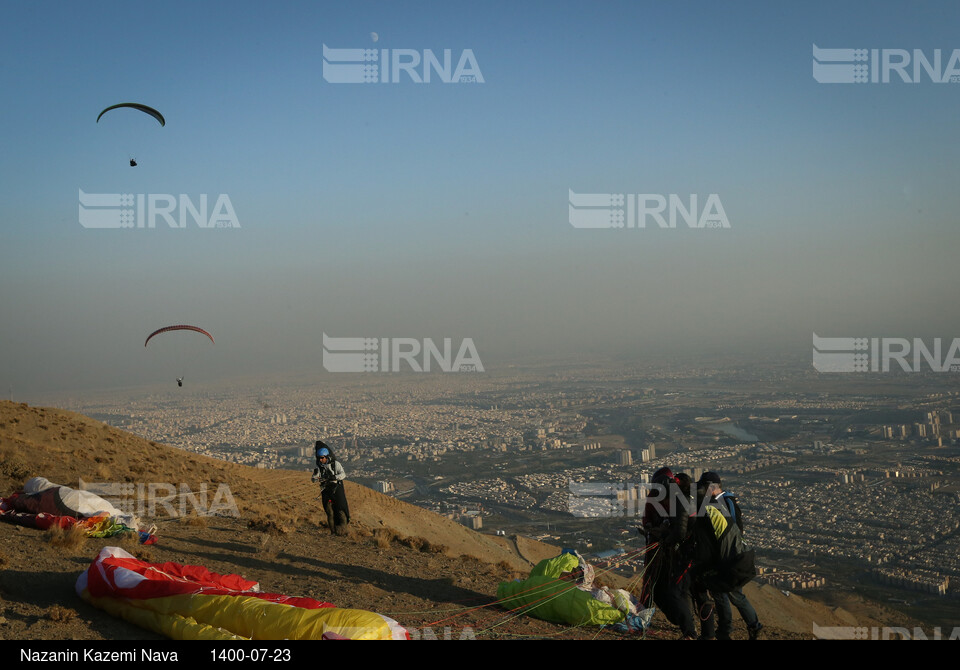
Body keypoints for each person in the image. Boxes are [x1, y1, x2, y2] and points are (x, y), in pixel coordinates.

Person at [696, 472, 762, 640]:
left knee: (733, 595)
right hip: (725, 557)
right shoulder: (718, 502)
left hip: (729, 558)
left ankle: (742, 628)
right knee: (723, 595)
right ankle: (730, 630)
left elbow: (735, 529)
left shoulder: (726, 502)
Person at [640, 467, 698, 639]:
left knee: (675, 588)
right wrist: (651, 526)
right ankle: (666, 617)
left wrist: (668, 535)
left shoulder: (678, 499)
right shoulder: (655, 497)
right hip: (659, 545)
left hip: (675, 549)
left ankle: (687, 625)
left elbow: (683, 527)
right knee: (653, 583)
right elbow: (647, 516)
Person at [311, 441, 349, 535]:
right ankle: (333, 532)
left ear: (326, 457)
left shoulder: (335, 464)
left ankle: (343, 531)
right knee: (329, 512)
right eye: (319, 458)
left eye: (322, 458)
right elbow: (313, 479)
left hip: (336, 489)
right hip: (326, 490)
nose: (320, 460)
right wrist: (317, 478)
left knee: (341, 511)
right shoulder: (319, 467)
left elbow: (343, 474)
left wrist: (334, 477)